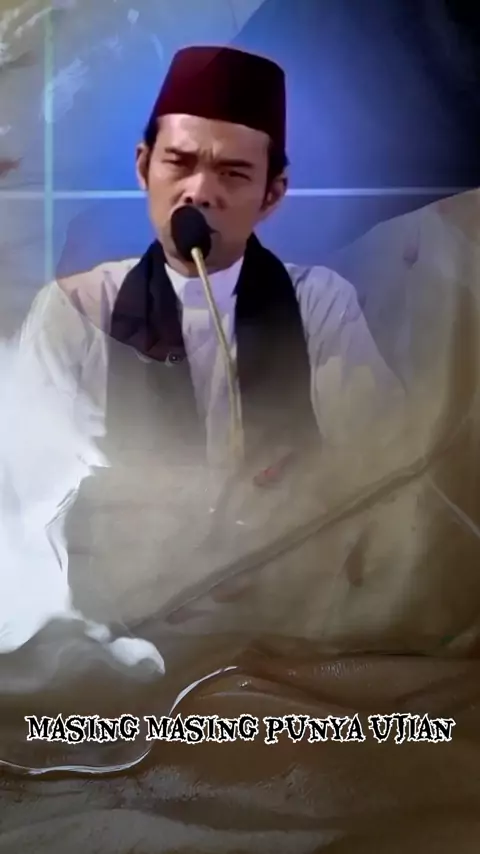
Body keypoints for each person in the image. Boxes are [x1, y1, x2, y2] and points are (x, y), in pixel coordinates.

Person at [16, 45, 403, 647]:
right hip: (120, 627)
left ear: (272, 194)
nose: (199, 192)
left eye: (233, 174)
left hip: (289, 617)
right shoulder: (78, 311)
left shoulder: (318, 303)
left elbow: (382, 468)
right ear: (144, 166)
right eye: (179, 162)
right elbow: (27, 501)